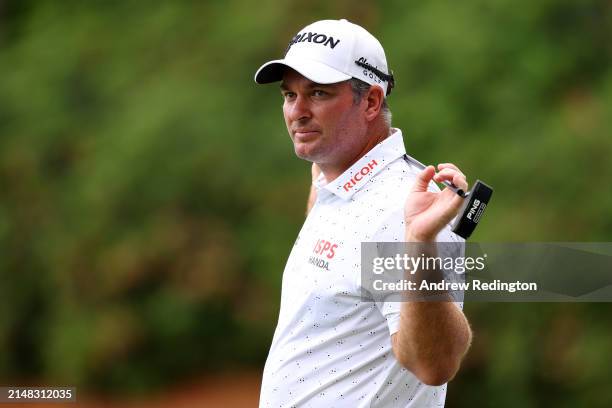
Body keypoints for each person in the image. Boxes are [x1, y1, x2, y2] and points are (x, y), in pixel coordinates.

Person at [254, 19, 472, 407]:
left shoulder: (398, 208)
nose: (297, 112)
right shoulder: (334, 180)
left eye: (318, 94)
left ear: (371, 101)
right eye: (290, 95)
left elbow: (434, 364)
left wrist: (420, 241)